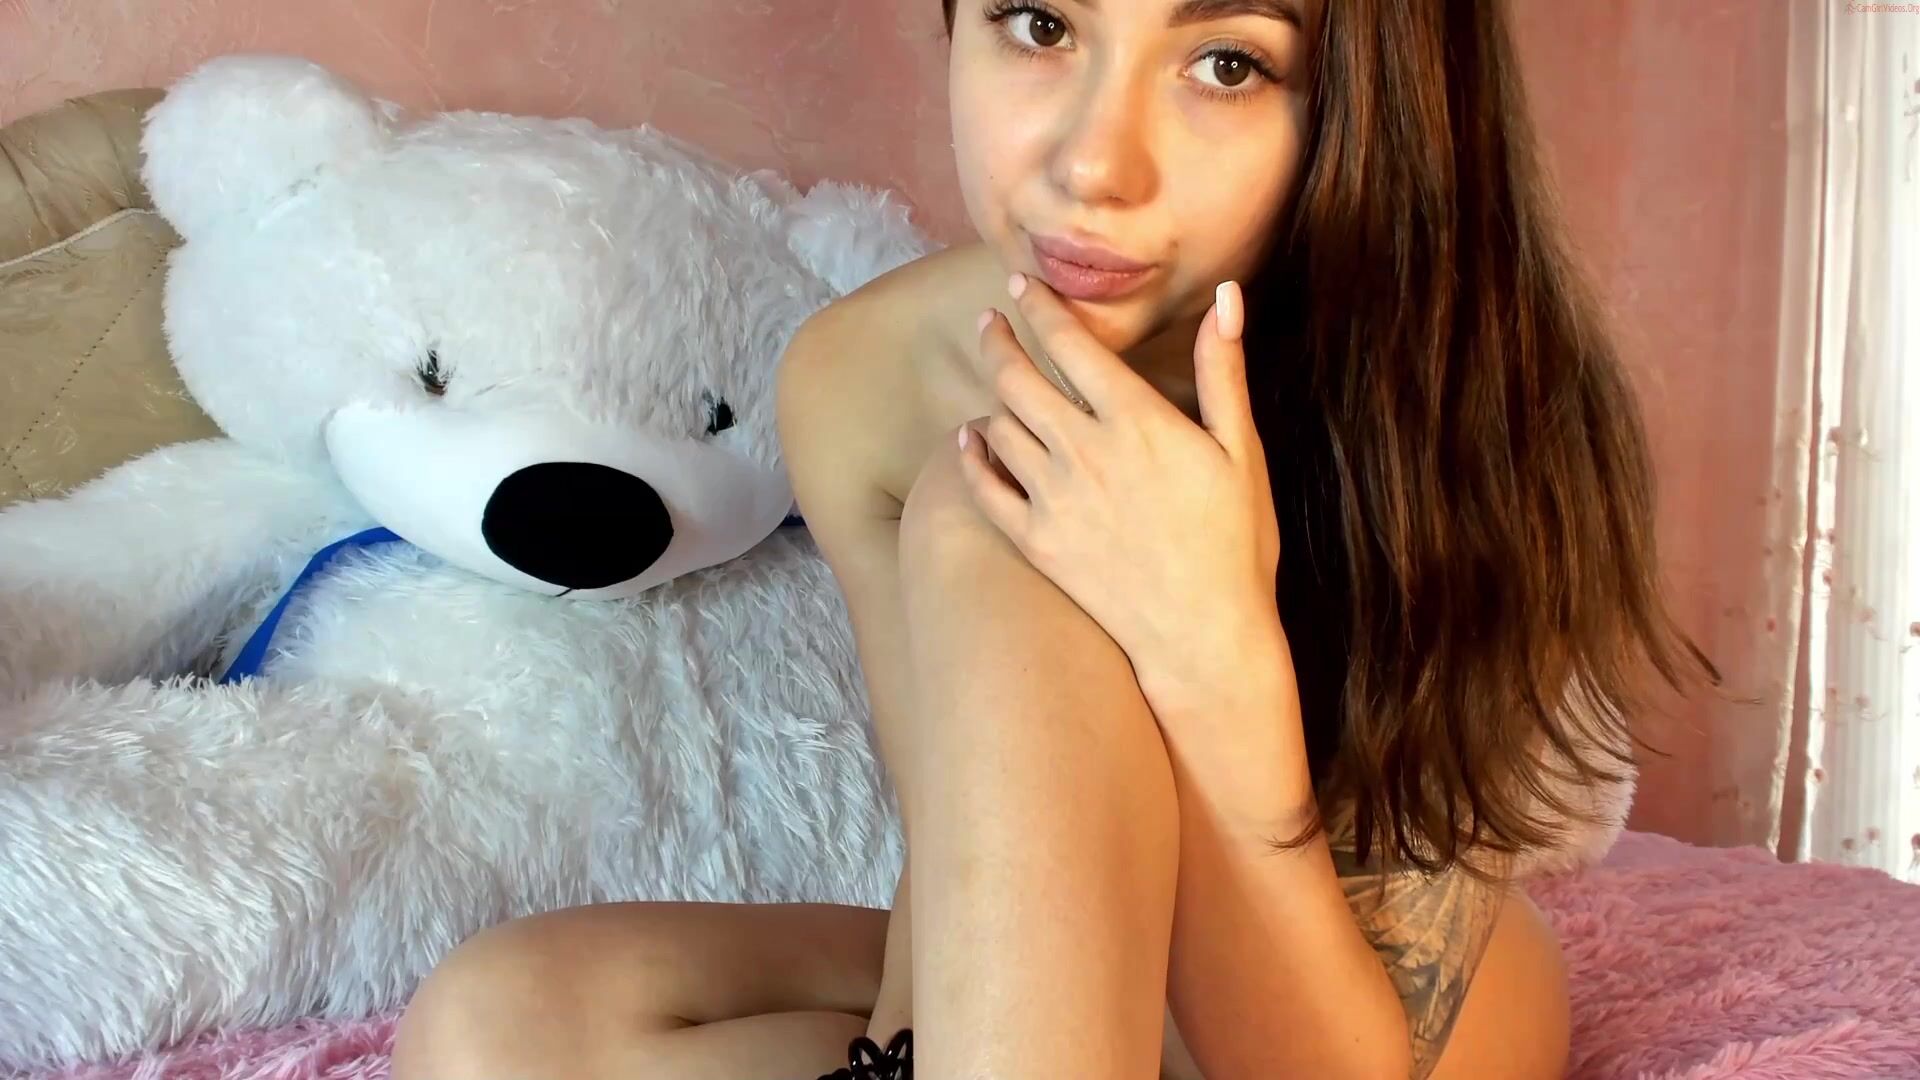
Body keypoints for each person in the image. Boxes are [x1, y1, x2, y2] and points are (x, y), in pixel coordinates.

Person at [389, 0, 1713, 1077]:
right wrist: (920, 1046)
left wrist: (1215, 653)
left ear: (1365, 101)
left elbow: (1339, 1061)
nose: (1092, 165)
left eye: (1227, 63)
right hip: (1066, 996)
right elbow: (956, 874)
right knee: (502, 1023)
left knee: (1009, 504)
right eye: (1040, 24)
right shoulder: (861, 374)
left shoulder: (1457, 414)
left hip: (1357, 1020)